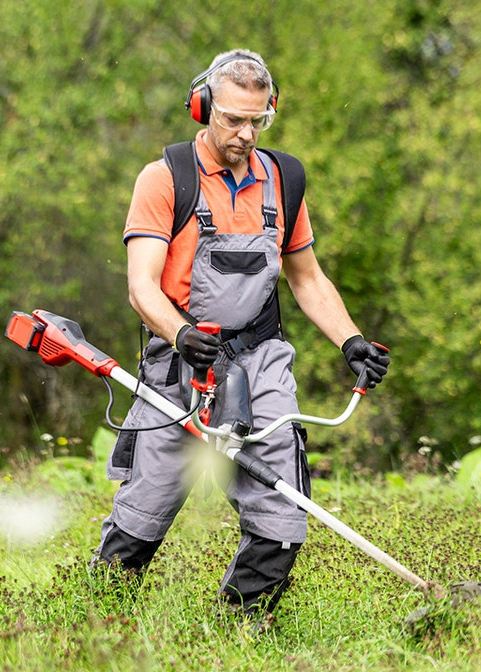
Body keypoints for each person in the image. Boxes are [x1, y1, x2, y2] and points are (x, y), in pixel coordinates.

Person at [93, 49, 390, 626]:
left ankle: (238, 629)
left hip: (260, 359)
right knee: (142, 512)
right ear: (203, 107)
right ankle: (100, 623)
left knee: (284, 510)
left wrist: (351, 340)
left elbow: (306, 276)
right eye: (232, 119)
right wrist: (178, 333)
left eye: (258, 120)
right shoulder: (165, 179)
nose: (245, 133)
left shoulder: (283, 179)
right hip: (178, 367)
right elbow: (141, 287)